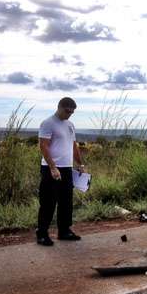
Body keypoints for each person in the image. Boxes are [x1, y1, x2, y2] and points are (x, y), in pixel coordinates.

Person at [36, 97, 85, 246]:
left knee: (66, 201)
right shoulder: (48, 123)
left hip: (67, 169)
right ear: (59, 107)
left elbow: (73, 146)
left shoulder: (70, 125)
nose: (69, 114)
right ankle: (42, 234)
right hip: (51, 169)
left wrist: (80, 164)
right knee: (48, 202)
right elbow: (43, 146)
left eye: (72, 112)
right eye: (67, 111)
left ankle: (64, 231)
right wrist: (52, 167)